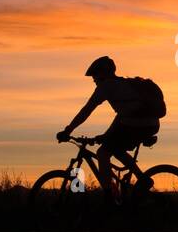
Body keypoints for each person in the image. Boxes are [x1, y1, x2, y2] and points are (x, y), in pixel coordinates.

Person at [57, 56, 161, 197]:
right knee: (114, 148)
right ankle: (141, 179)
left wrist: (68, 130)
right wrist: (106, 136)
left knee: (103, 153)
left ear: (102, 74)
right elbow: (122, 116)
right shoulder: (122, 84)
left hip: (138, 124)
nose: (94, 80)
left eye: (95, 76)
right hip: (148, 124)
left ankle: (109, 196)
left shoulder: (107, 86)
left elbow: (87, 110)